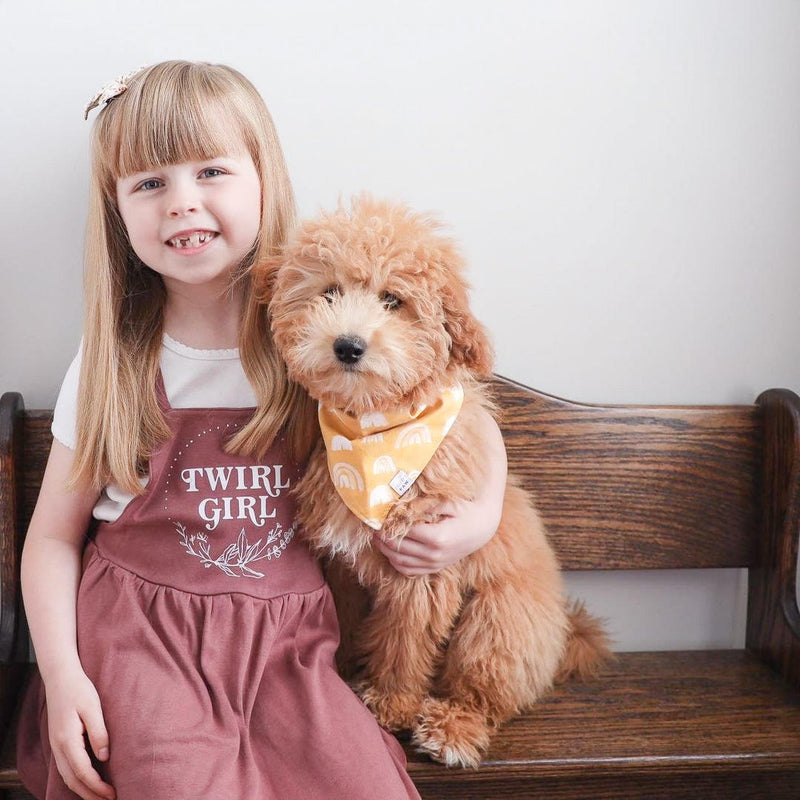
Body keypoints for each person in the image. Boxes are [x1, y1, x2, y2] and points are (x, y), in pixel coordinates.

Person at [15, 61, 508, 800]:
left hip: (291, 644)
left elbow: (452, 414)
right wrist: (61, 678)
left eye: (210, 170)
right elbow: (53, 536)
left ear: (262, 179)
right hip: (146, 640)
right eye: (149, 183)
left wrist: (482, 515)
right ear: (116, 209)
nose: (182, 203)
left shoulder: (319, 342)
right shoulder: (115, 362)